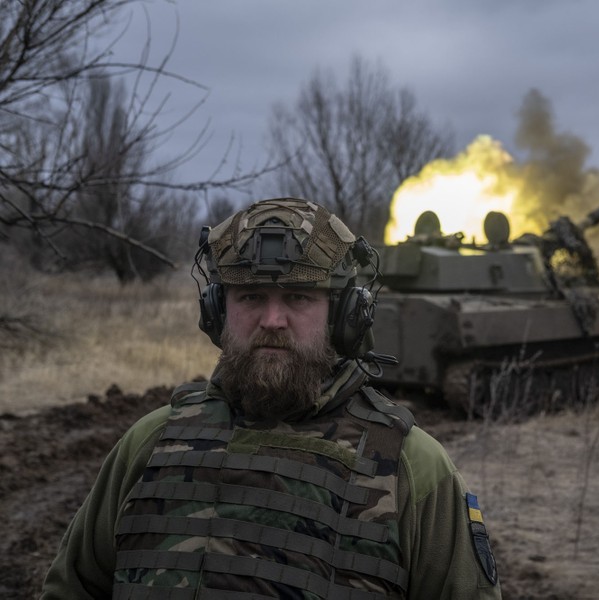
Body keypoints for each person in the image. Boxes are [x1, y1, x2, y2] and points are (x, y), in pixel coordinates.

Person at [42, 198, 501, 599]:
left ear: (344, 316)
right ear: (217, 311)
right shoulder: (149, 444)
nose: (272, 320)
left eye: (298, 297)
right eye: (251, 296)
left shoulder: (412, 470)